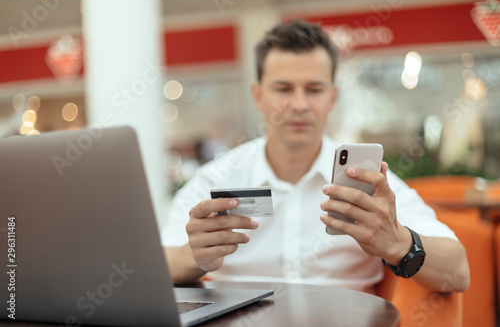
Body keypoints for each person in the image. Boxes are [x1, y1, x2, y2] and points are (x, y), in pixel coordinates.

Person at [162, 20, 470, 294]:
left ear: (332, 96)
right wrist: (194, 256)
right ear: (258, 95)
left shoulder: (367, 180)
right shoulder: (219, 176)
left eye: (314, 89)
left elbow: (458, 273)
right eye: (283, 88)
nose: (299, 104)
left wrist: (399, 243)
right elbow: (158, 265)